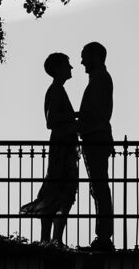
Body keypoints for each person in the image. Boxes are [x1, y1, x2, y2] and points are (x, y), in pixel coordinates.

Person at [20, 53, 79, 244]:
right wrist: (75, 117)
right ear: (57, 68)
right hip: (62, 147)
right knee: (59, 189)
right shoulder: (55, 90)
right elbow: (51, 120)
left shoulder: (57, 90)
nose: (71, 68)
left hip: (64, 146)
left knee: (61, 190)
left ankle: (53, 240)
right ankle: (51, 240)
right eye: (67, 65)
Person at [77, 41, 116, 251]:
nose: (82, 61)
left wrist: (76, 125)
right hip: (96, 136)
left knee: (99, 186)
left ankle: (103, 237)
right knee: (98, 186)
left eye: (84, 56)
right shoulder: (100, 78)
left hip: (95, 138)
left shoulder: (100, 79)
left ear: (96, 56)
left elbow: (95, 112)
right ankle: (102, 236)